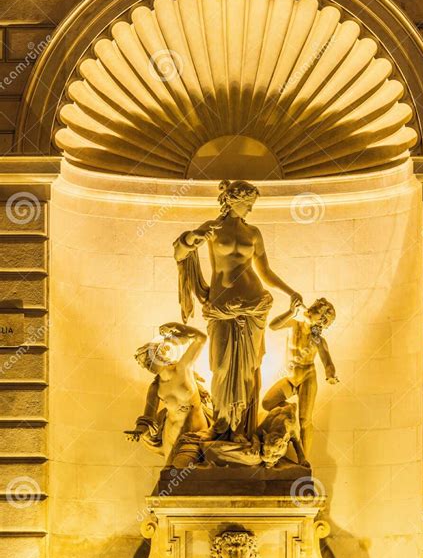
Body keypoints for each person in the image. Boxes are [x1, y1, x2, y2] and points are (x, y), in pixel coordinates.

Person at [173, 179, 302, 444]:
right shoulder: (211, 229)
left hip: (254, 306)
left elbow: (264, 271)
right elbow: (179, 252)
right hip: (221, 307)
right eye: (248, 203)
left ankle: (242, 429)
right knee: (220, 366)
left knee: (247, 370)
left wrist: (290, 292)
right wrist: (192, 238)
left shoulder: (253, 233)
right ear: (233, 200)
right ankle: (220, 425)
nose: (251, 209)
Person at [124, 322, 211, 465]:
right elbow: (148, 417)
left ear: (159, 355)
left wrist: (178, 327)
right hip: (170, 435)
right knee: (168, 478)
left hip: (194, 431)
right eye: (145, 365)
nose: (147, 366)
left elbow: (200, 339)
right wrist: (139, 431)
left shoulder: (183, 368)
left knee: (181, 471)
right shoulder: (155, 387)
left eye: (147, 360)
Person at [262, 298, 339, 456]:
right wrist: (291, 311)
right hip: (290, 378)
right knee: (267, 403)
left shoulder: (317, 339)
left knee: (304, 420)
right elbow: (273, 325)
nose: (312, 309)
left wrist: (330, 374)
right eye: (315, 307)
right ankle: (290, 410)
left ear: (322, 320)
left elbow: (327, 360)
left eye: (318, 311)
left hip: (307, 377)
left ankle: (304, 459)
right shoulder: (294, 324)